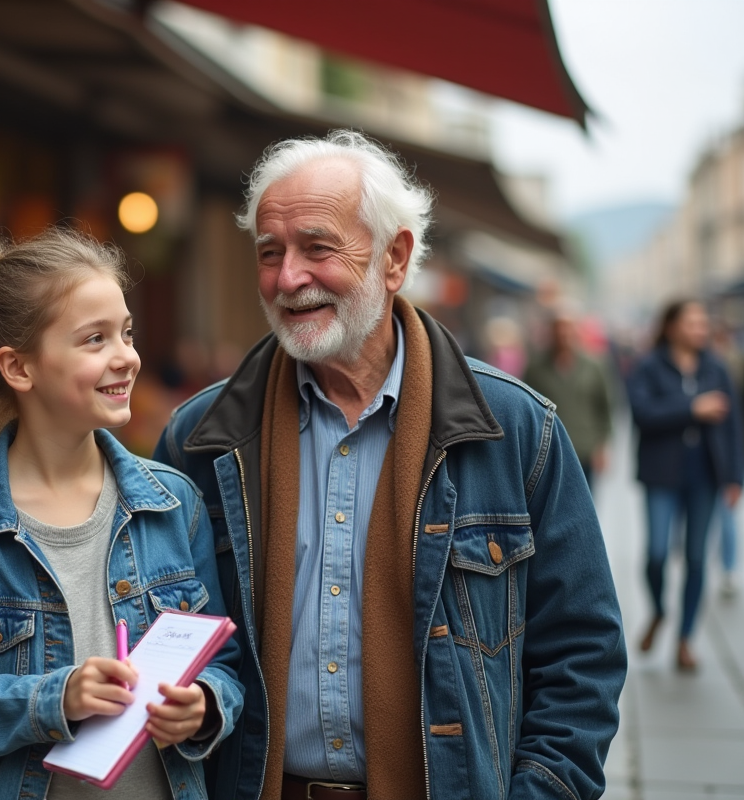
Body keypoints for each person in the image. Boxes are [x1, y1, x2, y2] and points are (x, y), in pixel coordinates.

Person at [154, 130, 626, 800]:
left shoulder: (516, 429)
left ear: (394, 257)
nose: (289, 277)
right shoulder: (198, 439)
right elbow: (157, 637)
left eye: (318, 247)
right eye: (270, 252)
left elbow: (583, 654)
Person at [0, 228, 244, 799]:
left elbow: (223, 662)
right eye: (94, 339)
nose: (126, 356)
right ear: (19, 368)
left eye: (126, 333)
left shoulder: (175, 506)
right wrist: (53, 699)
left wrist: (203, 707)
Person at [626, 300, 742, 670]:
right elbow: (643, 413)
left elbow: (732, 424)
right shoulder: (649, 365)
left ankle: (685, 638)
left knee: (695, 559)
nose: (699, 328)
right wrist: (692, 407)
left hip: (705, 476)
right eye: (691, 322)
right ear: (672, 326)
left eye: (702, 322)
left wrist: (735, 476)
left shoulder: (715, 367)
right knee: (657, 554)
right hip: (662, 473)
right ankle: (659, 610)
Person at [522, 310, 614, 489]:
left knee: (584, 502)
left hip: (584, 448)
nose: (563, 334)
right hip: (547, 449)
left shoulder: (594, 365)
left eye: (568, 328)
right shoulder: (536, 367)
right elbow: (525, 405)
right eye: (559, 329)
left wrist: (602, 446)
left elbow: (605, 405)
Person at [711, 323, 744, 597]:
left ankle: (728, 566)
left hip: (724, 451)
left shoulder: (724, 366)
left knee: (726, 513)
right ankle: (725, 565)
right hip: (707, 455)